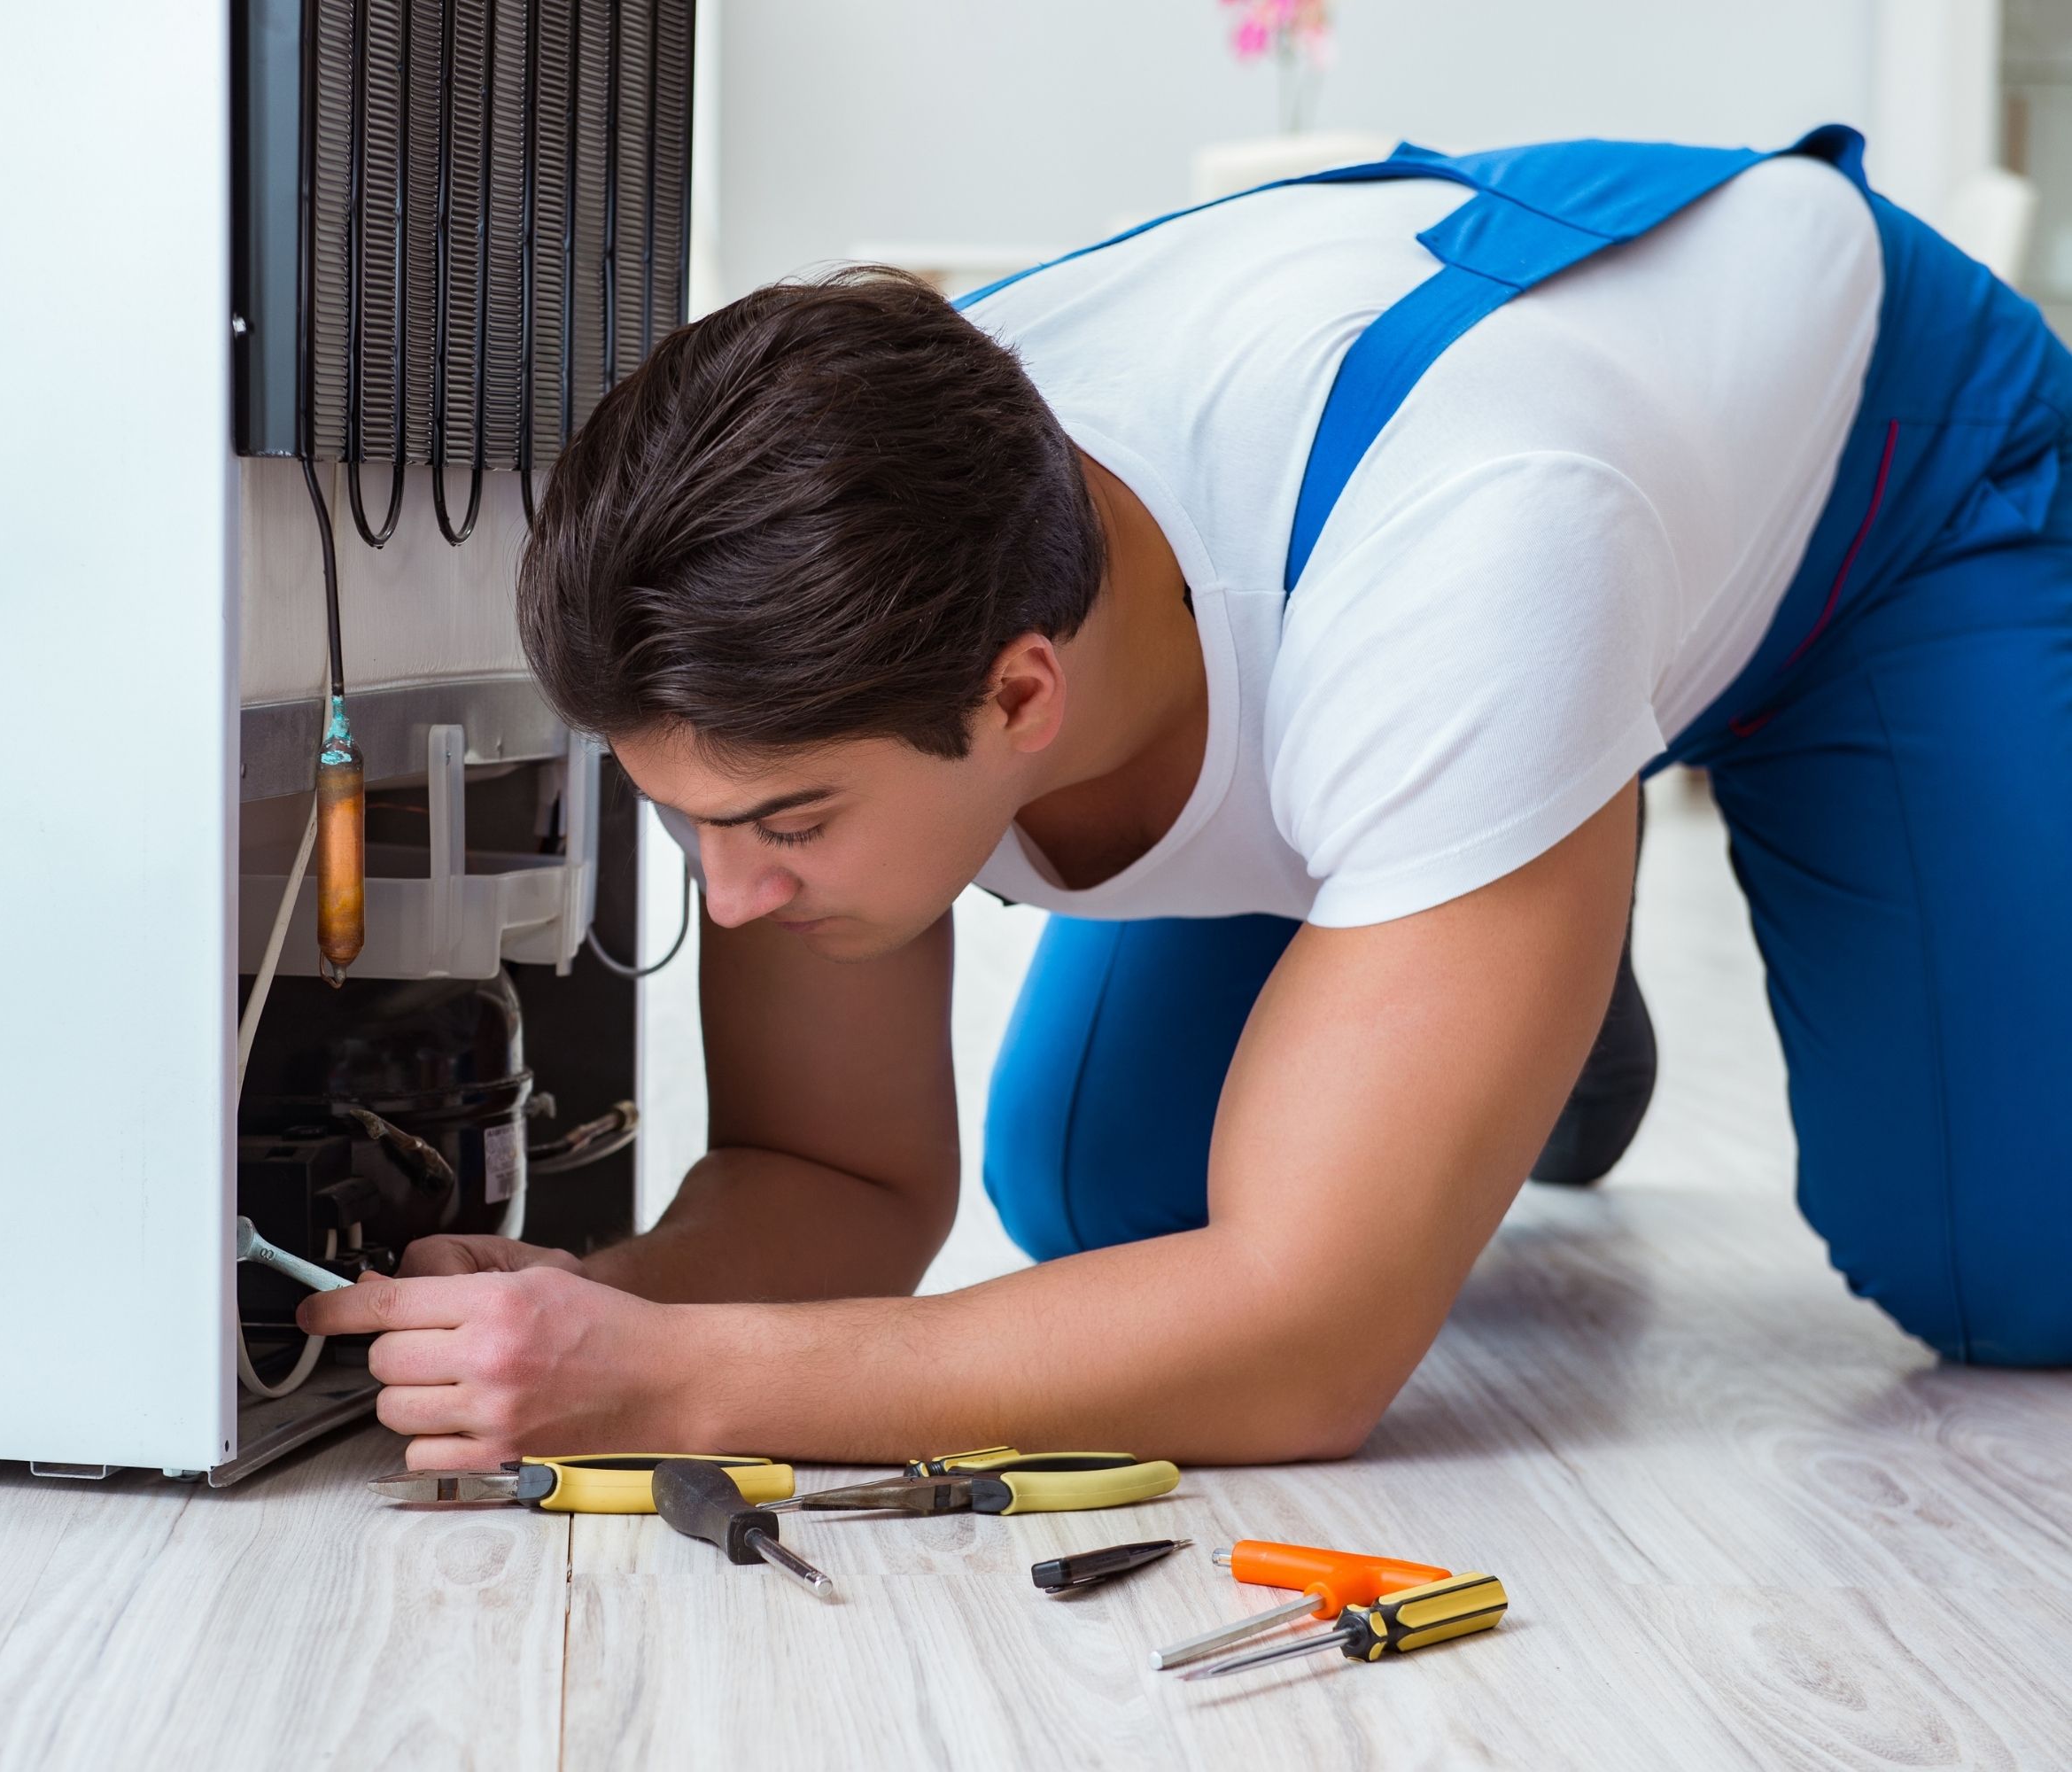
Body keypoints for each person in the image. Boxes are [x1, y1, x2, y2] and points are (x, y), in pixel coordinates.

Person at [303, 126, 2072, 1469]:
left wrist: (676, 1387)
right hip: (1467, 624)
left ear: (1019, 693)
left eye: (781, 827)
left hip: (1882, 493)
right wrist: (622, 1299)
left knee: (2007, 1269)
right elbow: (825, 1174)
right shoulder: (821, 589)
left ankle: (1501, 872)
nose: (733, 892)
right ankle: (1493, 913)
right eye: (686, 820)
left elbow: (1306, 1349)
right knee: (1105, 1197)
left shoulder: (1469, 553)